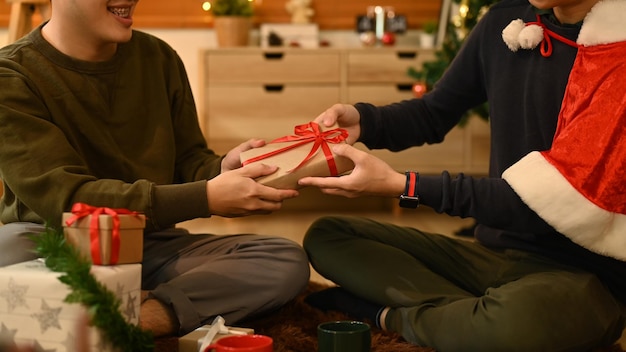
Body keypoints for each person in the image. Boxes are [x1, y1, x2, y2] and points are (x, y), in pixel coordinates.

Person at [298, 0, 626, 350]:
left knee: (518, 322)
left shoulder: (615, 54)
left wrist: (404, 185)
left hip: (585, 277)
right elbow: (434, 112)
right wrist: (364, 122)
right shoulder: (502, 21)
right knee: (328, 236)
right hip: (494, 257)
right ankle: (467, 316)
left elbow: (539, 202)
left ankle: (386, 316)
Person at [0, 0, 310, 338]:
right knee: (6, 252)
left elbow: (189, 160)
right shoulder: (10, 75)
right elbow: (68, 197)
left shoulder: (159, 58)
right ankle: (127, 302)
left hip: (149, 246)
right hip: (52, 246)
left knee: (282, 260)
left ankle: (129, 320)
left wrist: (222, 168)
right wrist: (206, 197)